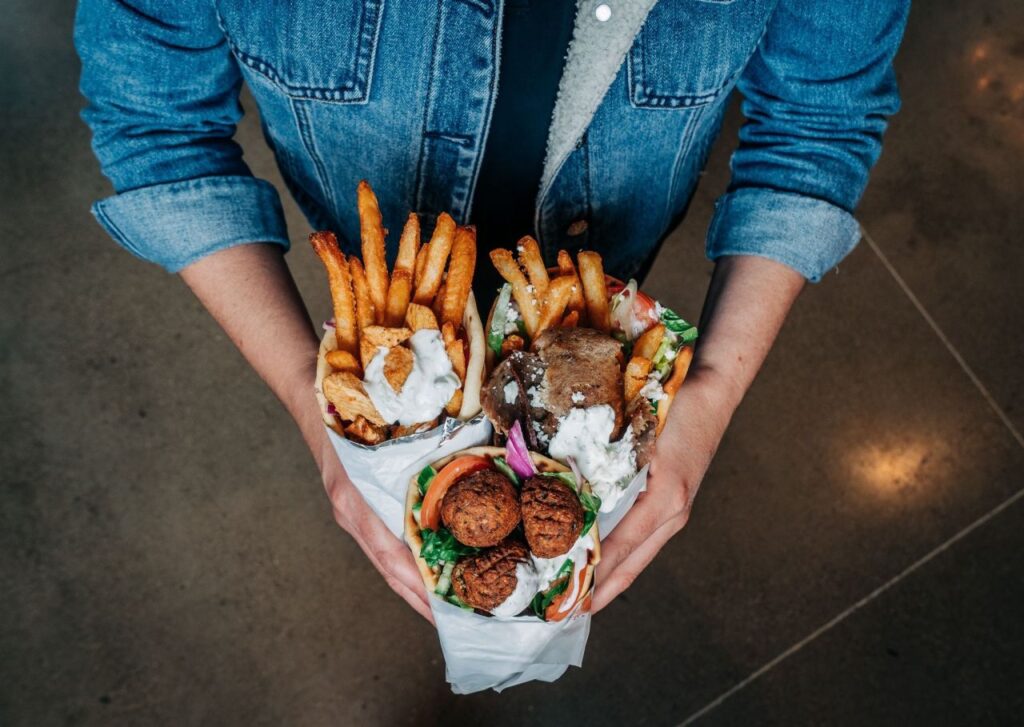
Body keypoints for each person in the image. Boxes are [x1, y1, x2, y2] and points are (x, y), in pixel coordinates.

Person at [75, 0, 909, 621]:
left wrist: (715, 391)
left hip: (589, 312)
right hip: (384, 332)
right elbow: (153, 118)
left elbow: (817, 119)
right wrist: (308, 395)